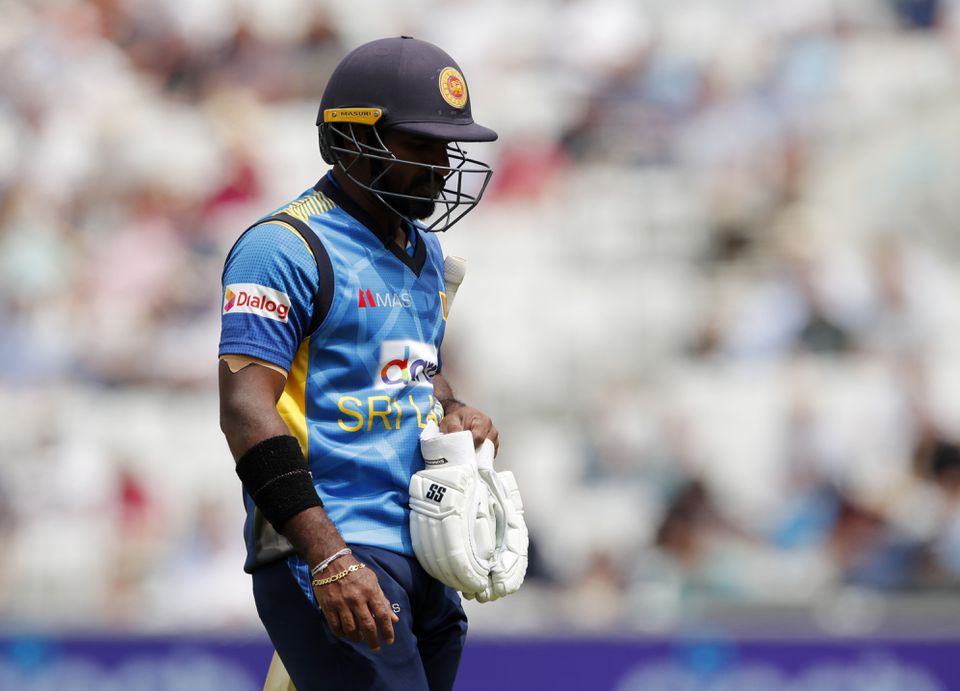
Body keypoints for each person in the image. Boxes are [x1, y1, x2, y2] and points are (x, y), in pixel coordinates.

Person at [218, 36, 500, 691]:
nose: (441, 165)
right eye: (420, 145)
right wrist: (328, 556)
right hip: (334, 544)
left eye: (446, 146)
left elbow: (413, 372)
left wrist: (454, 410)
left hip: (420, 550)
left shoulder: (425, 251)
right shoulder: (282, 248)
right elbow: (246, 411)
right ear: (350, 140)